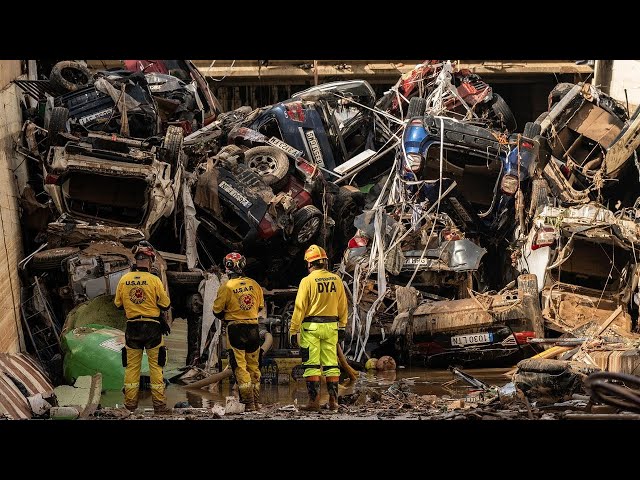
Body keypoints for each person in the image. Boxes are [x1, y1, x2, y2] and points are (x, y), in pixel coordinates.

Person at [114, 241, 172, 414]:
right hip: (152, 328)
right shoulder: (154, 280)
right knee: (156, 367)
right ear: (150, 260)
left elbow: (118, 304)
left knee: (132, 368)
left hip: (132, 328)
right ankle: (159, 406)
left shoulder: (124, 279)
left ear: (137, 259)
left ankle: (130, 406)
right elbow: (165, 304)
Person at [289, 244, 348, 411]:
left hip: (311, 329)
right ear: (325, 263)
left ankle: (313, 403)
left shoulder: (307, 281)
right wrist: (342, 326)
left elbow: (299, 308)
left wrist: (293, 330)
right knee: (331, 365)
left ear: (309, 264)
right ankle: (333, 402)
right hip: (331, 327)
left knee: (312, 366)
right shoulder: (336, 280)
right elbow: (343, 306)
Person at [213, 252, 265, 412]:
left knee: (240, 367)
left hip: (235, 329)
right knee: (254, 366)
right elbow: (260, 307)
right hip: (253, 329)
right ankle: (256, 402)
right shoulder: (255, 285)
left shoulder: (226, 287)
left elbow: (217, 310)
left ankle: (248, 402)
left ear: (227, 267)